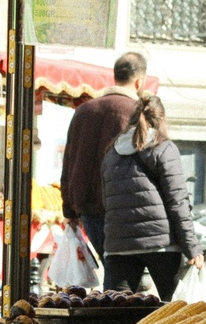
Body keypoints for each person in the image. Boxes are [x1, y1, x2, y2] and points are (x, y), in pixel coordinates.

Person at [100, 93, 203, 297]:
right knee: (174, 312)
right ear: (161, 120)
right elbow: (178, 202)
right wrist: (192, 247)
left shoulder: (112, 152)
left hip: (119, 246)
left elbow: (106, 202)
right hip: (161, 245)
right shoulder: (164, 148)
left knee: (116, 313)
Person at [61, 52, 146, 251]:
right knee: (121, 271)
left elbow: (69, 161)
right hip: (124, 208)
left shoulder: (84, 111)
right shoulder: (136, 112)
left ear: (115, 76)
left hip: (87, 208)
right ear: (139, 81)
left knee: (112, 265)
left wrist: (69, 210)